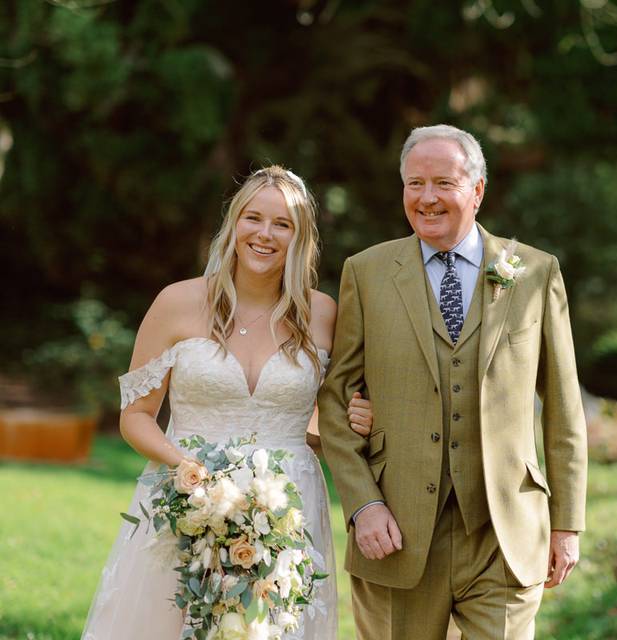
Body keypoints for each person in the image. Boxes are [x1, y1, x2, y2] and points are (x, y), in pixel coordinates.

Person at [318, 124, 588, 639]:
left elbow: (563, 406)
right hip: (396, 531)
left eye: (443, 182)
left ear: (478, 190)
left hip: (503, 532)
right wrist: (363, 505)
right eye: (414, 184)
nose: (427, 198)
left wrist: (567, 523)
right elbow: (335, 400)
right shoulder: (366, 272)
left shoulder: (534, 271)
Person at [82, 166, 372, 639]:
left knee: (267, 626)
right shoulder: (177, 303)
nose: (264, 233)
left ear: (301, 237)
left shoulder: (323, 314)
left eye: (283, 224)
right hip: (186, 497)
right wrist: (193, 474)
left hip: (288, 506)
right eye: (252, 218)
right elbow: (135, 417)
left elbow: (329, 420)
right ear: (233, 224)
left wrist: (357, 418)